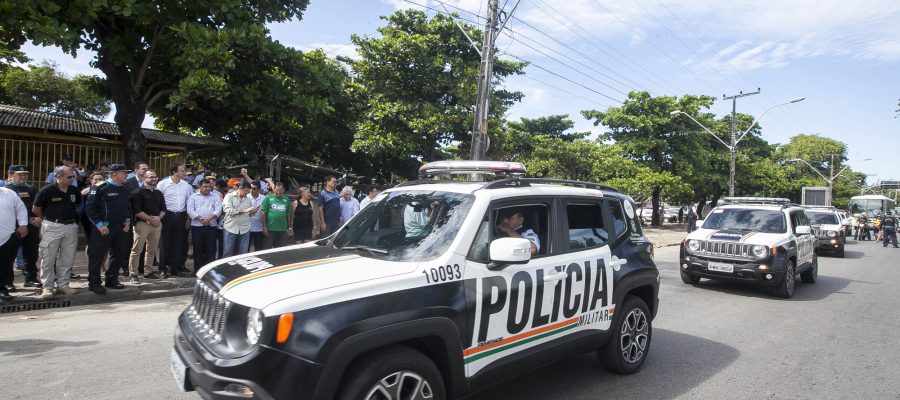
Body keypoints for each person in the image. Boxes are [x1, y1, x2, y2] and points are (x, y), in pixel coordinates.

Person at [33, 166, 81, 299]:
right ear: (59, 177)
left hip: (70, 226)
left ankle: (63, 285)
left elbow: (77, 205)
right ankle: (47, 287)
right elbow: (36, 208)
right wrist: (46, 219)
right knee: (48, 257)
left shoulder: (73, 190)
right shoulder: (47, 190)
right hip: (52, 226)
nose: (72, 179)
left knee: (68, 257)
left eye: (73, 176)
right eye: (69, 177)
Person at [84, 164, 132, 294]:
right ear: (115, 174)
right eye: (124, 173)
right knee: (97, 256)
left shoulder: (124, 189)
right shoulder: (101, 187)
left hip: (120, 227)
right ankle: (94, 283)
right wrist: (100, 225)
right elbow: (90, 208)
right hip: (104, 227)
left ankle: (112, 279)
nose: (126, 175)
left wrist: (127, 221)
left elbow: (126, 207)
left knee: (119, 254)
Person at [5, 165, 42, 289]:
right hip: (12, 227)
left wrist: (39, 217)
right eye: (20, 174)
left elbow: (39, 206)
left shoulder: (31, 189)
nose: (23, 177)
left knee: (31, 254)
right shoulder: (6, 190)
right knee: (9, 255)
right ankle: (7, 282)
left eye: (25, 174)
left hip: (31, 226)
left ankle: (30, 278)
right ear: (11, 175)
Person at [128, 169, 166, 283]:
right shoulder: (137, 192)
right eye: (151, 177)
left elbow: (164, 209)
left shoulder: (159, 193)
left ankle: (148, 272)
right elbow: (137, 211)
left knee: (152, 250)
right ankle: (133, 273)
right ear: (144, 178)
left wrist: (159, 218)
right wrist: (151, 219)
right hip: (142, 224)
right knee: (137, 250)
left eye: (155, 177)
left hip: (157, 224)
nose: (154, 179)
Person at [157, 163, 194, 278]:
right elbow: (158, 200)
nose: (184, 173)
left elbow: (189, 201)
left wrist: (188, 217)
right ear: (174, 172)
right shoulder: (163, 184)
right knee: (164, 243)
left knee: (178, 242)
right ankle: (162, 268)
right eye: (182, 171)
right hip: (167, 215)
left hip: (181, 216)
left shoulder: (186, 185)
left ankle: (175, 268)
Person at [187, 179, 222, 271]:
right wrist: (200, 218)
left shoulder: (216, 196)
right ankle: (198, 270)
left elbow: (218, 209)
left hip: (211, 226)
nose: (207, 188)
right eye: (205, 187)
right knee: (198, 249)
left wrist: (209, 219)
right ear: (200, 187)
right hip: (197, 226)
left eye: (209, 187)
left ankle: (210, 271)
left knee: (211, 249)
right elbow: (190, 210)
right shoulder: (193, 196)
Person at [0, 184, 28, 301]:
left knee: (5, 264)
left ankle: (1, 289)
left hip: (6, 236)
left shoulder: (9, 193)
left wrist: (23, 224)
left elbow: (21, 208)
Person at [222, 181, 254, 257]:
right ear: (240, 188)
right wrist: (241, 212)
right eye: (246, 191)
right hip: (230, 227)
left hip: (245, 228)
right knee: (228, 252)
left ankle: (241, 269)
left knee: (243, 253)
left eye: (248, 191)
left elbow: (249, 213)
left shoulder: (248, 199)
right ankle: (227, 268)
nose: (247, 193)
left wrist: (252, 212)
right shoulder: (229, 196)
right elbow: (227, 209)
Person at [261, 182, 291, 249]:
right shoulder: (268, 198)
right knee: (267, 249)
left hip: (283, 229)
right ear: (274, 189)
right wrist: (264, 227)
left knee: (281, 250)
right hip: (270, 229)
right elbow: (263, 213)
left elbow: (288, 214)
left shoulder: (286, 199)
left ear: (283, 190)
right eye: (277, 190)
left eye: (280, 190)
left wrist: (289, 227)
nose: (278, 192)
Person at [247, 181, 266, 251]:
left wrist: (265, 227)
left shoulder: (264, 198)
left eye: (254, 188)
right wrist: (250, 213)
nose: (251, 190)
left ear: (259, 189)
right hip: (247, 229)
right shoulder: (246, 197)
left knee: (259, 250)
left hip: (259, 229)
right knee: (246, 250)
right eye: (250, 188)